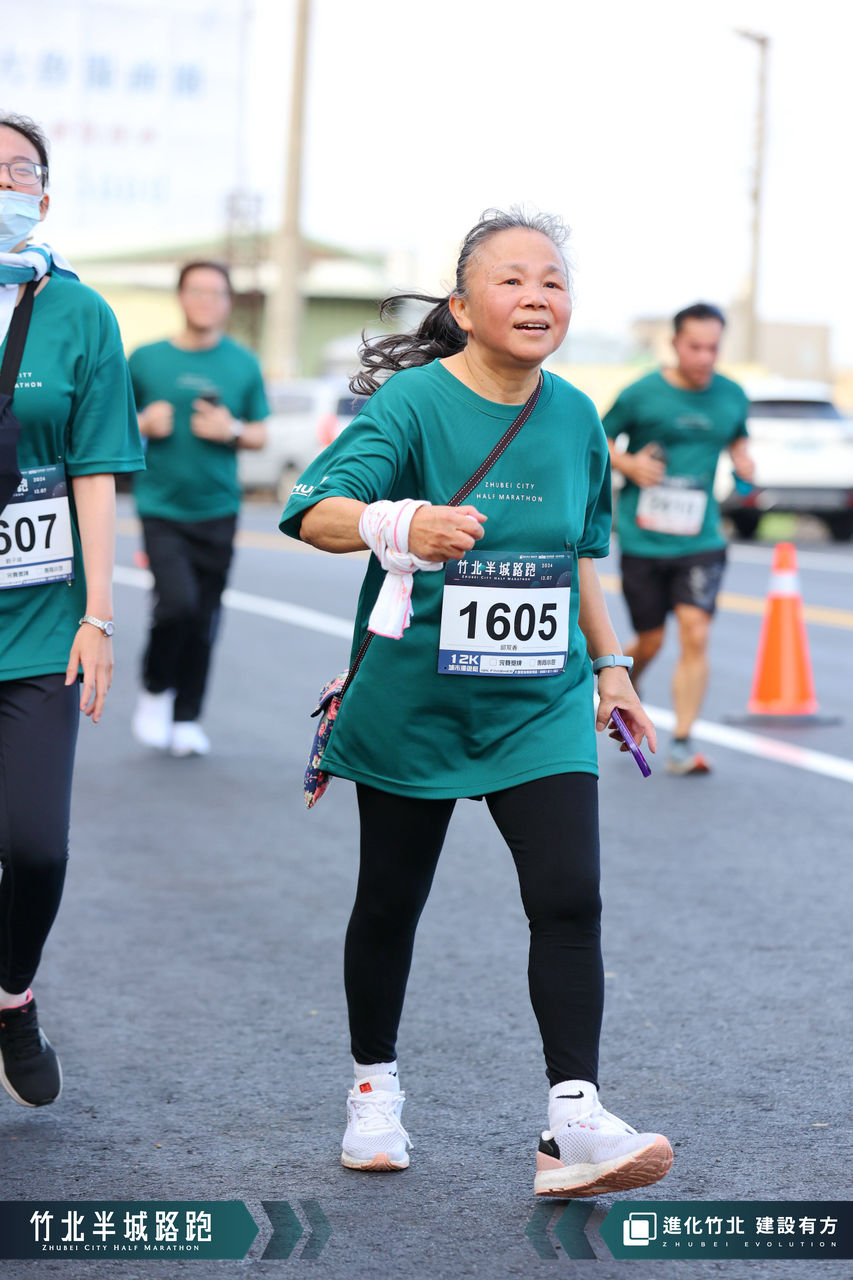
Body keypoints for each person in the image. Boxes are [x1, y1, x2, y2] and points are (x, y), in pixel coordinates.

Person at [280, 208, 674, 1198]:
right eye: (512, 280)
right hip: (414, 697)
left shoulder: (576, 417)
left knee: (569, 896)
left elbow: (581, 552)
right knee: (390, 900)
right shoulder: (414, 404)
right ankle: (373, 1089)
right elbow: (313, 511)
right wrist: (400, 521)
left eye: (553, 281)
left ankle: (572, 1122)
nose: (537, 296)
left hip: (538, 703)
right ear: (461, 307)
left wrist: (611, 666)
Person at [0, 113, 144, 1106]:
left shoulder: (81, 313)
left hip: (42, 626)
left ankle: (12, 992)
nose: (3, 184)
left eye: (19, 171)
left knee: (37, 846)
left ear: (43, 198)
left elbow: (94, 471)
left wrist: (98, 615)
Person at [603, 303, 754, 775]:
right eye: (695, 347)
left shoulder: (732, 395)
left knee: (696, 631)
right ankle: (628, 682)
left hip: (701, 538)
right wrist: (629, 464)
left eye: (713, 348)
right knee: (650, 640)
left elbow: (737, 439)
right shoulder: (641, 394)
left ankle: (683, 743)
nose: (705, 357)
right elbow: (598, 441)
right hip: (644, 539)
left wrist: (744, 461)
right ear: (674, 344)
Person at [128, 261, 268, 757]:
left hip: (218, 507)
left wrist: (232, 430)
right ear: (181, 296)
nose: (207, 300)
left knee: (205, 615)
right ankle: (154, 690)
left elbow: (260, 432)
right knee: (177, 603)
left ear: (228, 302)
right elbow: (110, 422)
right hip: (161, 506)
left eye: (216, 292)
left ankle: (187, 717)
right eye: (197, 290)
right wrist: (143, 423)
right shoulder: (145, 359)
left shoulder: (243, 363)